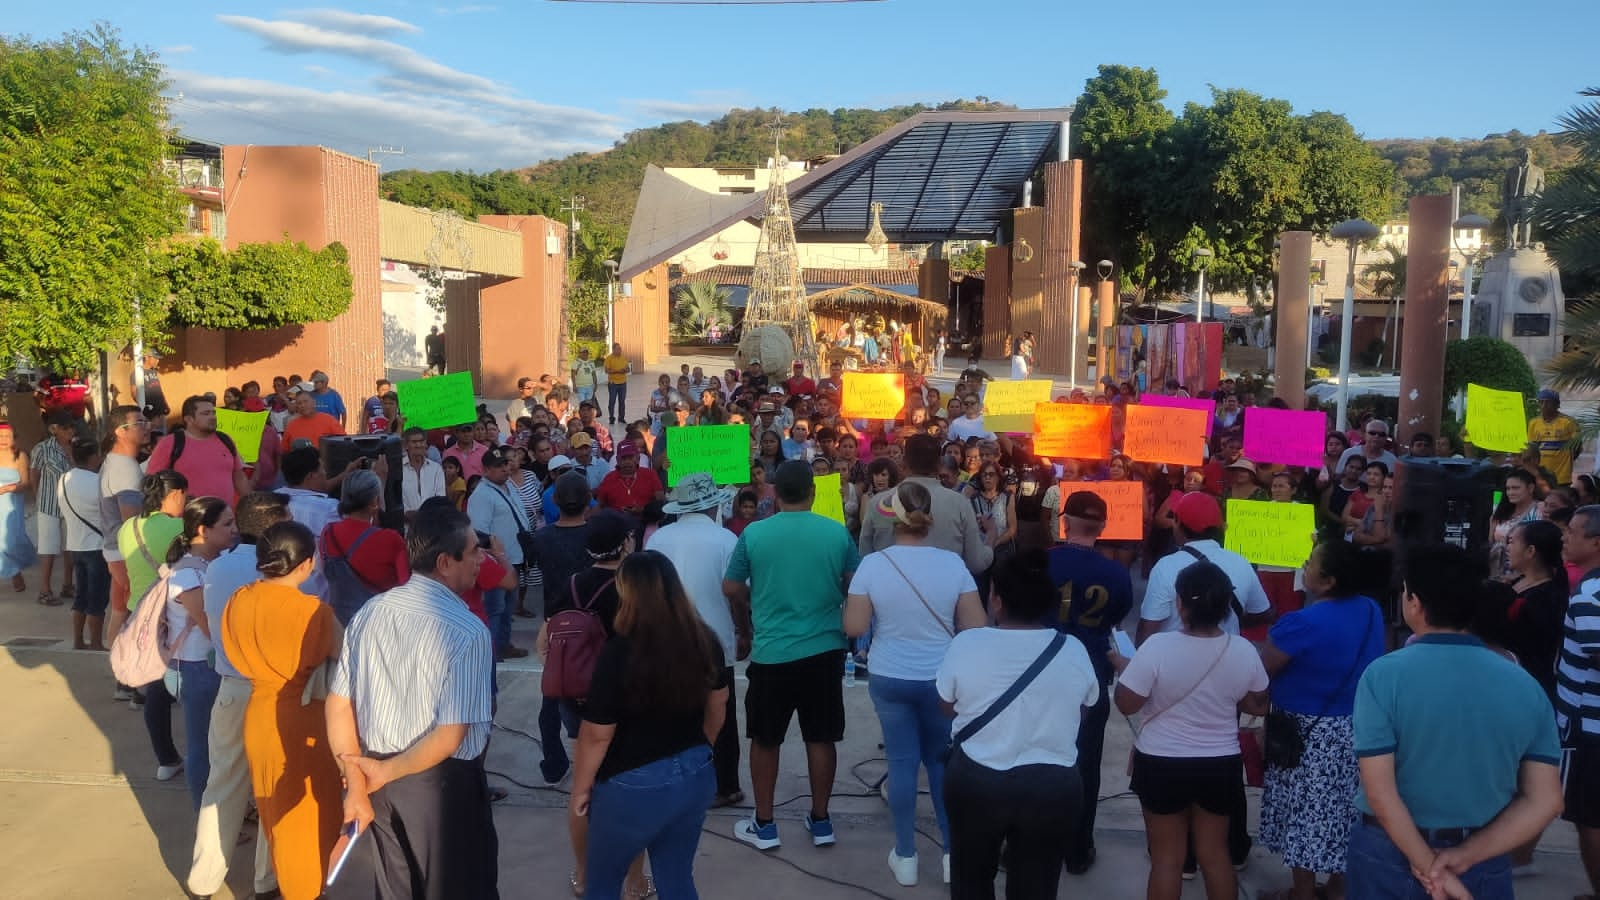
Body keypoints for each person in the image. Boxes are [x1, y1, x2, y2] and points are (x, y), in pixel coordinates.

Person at [1351, 543, 1562, 898]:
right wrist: (1462, 859)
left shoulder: (1384, 675)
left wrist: (1428, 867)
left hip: (1388, 853)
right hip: (1483, 854)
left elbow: (1380, 791)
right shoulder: (1525, 684)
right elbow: (1546, 801)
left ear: (1413, 602)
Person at [326, 504, 498, 900]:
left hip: (377, 776)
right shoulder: (469, 632)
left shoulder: (371, 612)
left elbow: (338, 706)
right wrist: (382, 772)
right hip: (438, 784)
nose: (480, 559)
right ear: (444, 561)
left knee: (397, 887)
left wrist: (357, 780)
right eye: (473, 551)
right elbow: (449, 737)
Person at [844, 481, 986, 886]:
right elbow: (976, 625)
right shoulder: (953, 564)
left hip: (890, 675)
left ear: (892, 519)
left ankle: (905, 855)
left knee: (901, 764)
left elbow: (854, 626)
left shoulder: (873, 564)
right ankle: (949, 854)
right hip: (942, 678)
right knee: (941, 764)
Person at [938, 549, 1099, 899]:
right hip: (1052, 786)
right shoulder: (1072, 649)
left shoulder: (966, 643)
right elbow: (1084, 710)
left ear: (996, 600)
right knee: (1037, 886)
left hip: (977, 780)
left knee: (970, 879)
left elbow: (946, 706)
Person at [570, 551, 728, 900]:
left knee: (602, 883)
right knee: (676, 879)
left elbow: (597, 734)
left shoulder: (619, 651)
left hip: (632, 782)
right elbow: (719, 703)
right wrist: (703, 746)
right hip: (696, 771)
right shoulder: (704, 638)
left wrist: (581, 788)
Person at [1113, 561, 1271, 900]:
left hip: (1161, 762)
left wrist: (1126, 669)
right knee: (1216, 856)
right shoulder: (1242, 649)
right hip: (1219, 763)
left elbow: (1127, 704)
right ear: (1228, 606)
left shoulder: (1156, 648)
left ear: (1180, 604)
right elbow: (1258, 705)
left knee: (1167, 860)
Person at [723, 460, 860, 851]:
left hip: (772, 653)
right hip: (824, 650)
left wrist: (745, 627)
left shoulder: (754, 534)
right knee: (821, 737)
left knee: (765, 740)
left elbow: (731, 587)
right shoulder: (836, 533)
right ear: (814, 494)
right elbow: (857, 584)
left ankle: (764, 825)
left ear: (775, 495)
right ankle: (821, 821)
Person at [1255, 540, 1386, 900]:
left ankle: (1302, 893)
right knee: (1345, 811)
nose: (1304, 564)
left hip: (1305, 733)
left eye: (1311, 561)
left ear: (1327, 581)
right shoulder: (1371, 610)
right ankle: (1338, 889)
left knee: (1304, 816)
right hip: (1354, 727)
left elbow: (1262, 669)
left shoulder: (1299, 623)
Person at [186, 492, 290, 900]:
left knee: (223, 786)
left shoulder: (218, 568)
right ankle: (266, 880)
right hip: (273, 691)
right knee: (272, 789)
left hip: (231, 688)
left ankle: (204, 880)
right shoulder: (282, 571)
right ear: (274, 524)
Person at [1047, 491, 1135, 874]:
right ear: (1101, 527)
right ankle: (1078, 849)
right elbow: (1117, 616)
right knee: (1085, 761)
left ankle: (1025, 842)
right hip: (1091, 672)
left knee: (1033, 754)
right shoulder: (1116, 573)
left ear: (1064, 522)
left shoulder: (1042, 563)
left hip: (1042, 669)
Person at [646, 473, 744, 806]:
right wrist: (745, 631)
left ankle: (673, 780)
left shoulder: (659, 538)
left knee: (673, 713)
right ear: (713, 505)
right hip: (715, 639)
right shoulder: (726, 540)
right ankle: (725, 786)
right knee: (722, 717)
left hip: (667, 639)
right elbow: (737, 594)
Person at [149, 496, 237, 808]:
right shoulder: (189, 574)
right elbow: (208, 626)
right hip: (194, 668)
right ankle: (206, 816)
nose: (234, 530)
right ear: (203, 530)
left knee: (214, 745)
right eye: (227, 524)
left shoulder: (204, 565)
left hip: (199, 667)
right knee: (202, 747)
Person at [527, 473, 597, 784]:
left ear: (554, 501)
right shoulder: (596, 535)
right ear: (588, 499)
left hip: (556, 624)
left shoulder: (542, 538)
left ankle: (554, 763)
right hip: (594, 621)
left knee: (551, 697)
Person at [860, 434, 993, 577]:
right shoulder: (959, 503)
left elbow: (865, 558)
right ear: (939, 465)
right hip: (943, 593)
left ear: (904, 462)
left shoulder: (879, 502)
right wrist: (991, 535)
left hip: (889, 592)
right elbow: (977, 563)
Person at [1560, 506, 1600, 897]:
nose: (1564, 537)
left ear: (1595, 543)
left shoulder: (1589, 594)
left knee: (1590, 817)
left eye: (1572, 532)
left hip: (1590, 729)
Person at [99, 405, 149, 699]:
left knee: (121, 610)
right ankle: (131, 679)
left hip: (116, 550)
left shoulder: (119, 463)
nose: (146, 425)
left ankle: (123, 680)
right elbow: (131, 519)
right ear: (120, 431)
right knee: (135, 614)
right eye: (138, 422)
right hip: (127, 552)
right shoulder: (124, 468)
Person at [466, 447, 532, 660]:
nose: (504, 469)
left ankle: (503, 644)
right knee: (495, 608)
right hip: (496, 562)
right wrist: (494, 558)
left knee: (507, 608)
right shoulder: (482, 495)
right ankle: (491, 650)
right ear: (486, 470)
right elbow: (479, 533)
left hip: (513, 557)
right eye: (498, 466)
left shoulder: (508, 486)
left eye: (505, 464)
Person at [145, 395, 251, 506]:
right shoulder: (170, 443)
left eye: (213, 413)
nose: (212, 417)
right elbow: (152, 482)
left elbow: (239, 476)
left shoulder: (226, 440)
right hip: (187, 519)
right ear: (189, 419)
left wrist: (250, 505)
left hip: (225, 519)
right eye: (205, 414)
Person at [59, 437, 108, 649]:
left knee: (81, 596)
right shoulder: (98, 482)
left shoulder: (63, 479)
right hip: (96, 546)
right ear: (93, 457)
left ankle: (78, 640)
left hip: (75, 545)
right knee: (97, 599)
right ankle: (96, 642)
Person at [29, 411, 76, 605]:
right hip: (48, 504)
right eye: (66, 429)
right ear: (54, 429)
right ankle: (44, 590)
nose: (70, 432)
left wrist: (72, 453)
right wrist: (38, 495)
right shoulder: (42, 449)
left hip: (72, 504)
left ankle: (67, 585)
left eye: (71, 428)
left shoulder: (76, 447)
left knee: (70, 546)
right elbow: (34, 474)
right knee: (48, 547)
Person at [0, 423, 37, 597]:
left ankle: (16, 567)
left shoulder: (20, 456)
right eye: (0, 436)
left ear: (14, 438)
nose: (3, 440)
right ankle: (13, 572)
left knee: (13, 541)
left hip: (11, 504)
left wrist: (7, 489)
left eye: (7, 436)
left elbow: (26, 483)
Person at [1490, 469, 1542, 580]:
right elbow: (1491, 541)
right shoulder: (1501, 510)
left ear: (1531, 488)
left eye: (1516, 488)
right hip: (1497, 572)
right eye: (1508, 489)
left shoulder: (1539, 511)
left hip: (1524, 576)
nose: (1510, 493)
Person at [595, 440, 664, 518]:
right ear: (617, 460)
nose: (627, 461)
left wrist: (643, 509)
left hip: (646, 522)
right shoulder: (609, 478)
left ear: (638, 458)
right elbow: (599, 505)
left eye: (631, 457)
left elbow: (660, 502)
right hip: (617, 524)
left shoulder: (650, 475)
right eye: (624, 458)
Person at [1530, 388, 1581, 486]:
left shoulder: (1569, 422)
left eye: (1548, 403)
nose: (1544, 406)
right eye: (1541, 402)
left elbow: (1577, 447)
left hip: (1562, 477)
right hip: (1541, 476)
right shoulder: (1533, 423)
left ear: (1557, 405)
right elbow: (1532, 449)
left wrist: (1567, 461)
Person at [400, 427, 447, 523]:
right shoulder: (398, 469)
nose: (418, 445)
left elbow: (440, 499)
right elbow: (398, 502)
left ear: (426, 444)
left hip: (432, 527)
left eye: (421, 441)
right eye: (414, 442)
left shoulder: (436, 469)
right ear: (406, 445)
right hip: (406, 528)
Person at [280, 382, 345, 451]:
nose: (302, 405)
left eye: (305, 401)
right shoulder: (291, 426)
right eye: (299, 403)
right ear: (297, 407)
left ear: (314, 402)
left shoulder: (329, 420)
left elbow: (343, 442)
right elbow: (284, 450)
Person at [603, 343, 631, 425]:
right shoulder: (609, 359)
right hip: (613, 383)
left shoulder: (623, 358)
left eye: (620, 349)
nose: (620, 350)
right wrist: (618, 371)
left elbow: (628, 369)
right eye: (618, 349)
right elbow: (607, 370)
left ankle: (621, 418)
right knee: (612, 401)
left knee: (622, 401)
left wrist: (625, 370)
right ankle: (611, 417)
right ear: (613, 350)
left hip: (623, 383)